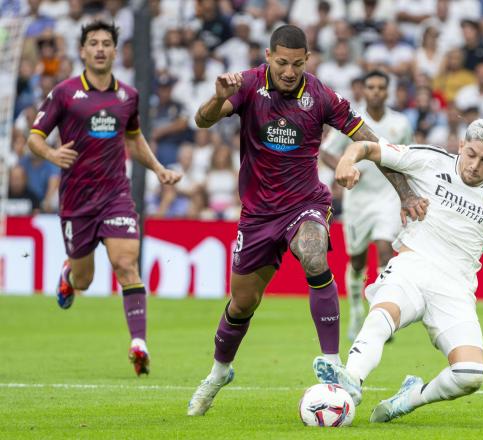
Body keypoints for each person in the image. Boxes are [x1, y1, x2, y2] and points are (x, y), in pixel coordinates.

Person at [187, 24, 427, 416]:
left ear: (307, 61)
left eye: (297, 64)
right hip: (258, 214)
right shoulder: (247, 85)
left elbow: (371, 142)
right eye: (282, 63)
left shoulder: (319, 95)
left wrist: (406, 191)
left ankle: (331, 360)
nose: (288, 71)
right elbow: (202, 121)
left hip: (305, 204)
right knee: (242, 304)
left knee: (315, 255)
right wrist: (217, 99)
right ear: (268, 57)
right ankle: (218, 373)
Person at [312, 119, 483, 423]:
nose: (474, 166)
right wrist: (348, 160)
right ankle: (351, 381)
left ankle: (410, 397)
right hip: (412, 266)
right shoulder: (429, 160)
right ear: (462, 145)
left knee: (470, 376)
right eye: (471, 154)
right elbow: (368, 147)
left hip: (455, 287)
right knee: (381, 316)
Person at [27, 21, 181, 376]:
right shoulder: (64, 94)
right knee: (84, 281)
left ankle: (139, 343)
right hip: (77, 201)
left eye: (106, 43)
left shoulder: (127, 95)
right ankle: (69, 273)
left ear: (114, 51)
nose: (99, 48)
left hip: (116, 196)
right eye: (93, 43)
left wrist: (158, 169)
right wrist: (51, 156)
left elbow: (134, 139)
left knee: (127, 264)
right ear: (82, 51)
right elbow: (34, 138)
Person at [320, 70, 413, 341]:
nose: (375, 92)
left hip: (388, 197)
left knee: (385, 251)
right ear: (365, 90)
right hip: (358, 200)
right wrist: (344, 168)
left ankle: (380, 317)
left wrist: (409, 193)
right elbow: (325, 151)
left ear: (387, 91)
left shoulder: (401, 123)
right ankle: (356, 311)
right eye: (370, 87)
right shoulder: (352, 121)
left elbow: (409, 156)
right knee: (358, 260)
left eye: (380, 87)